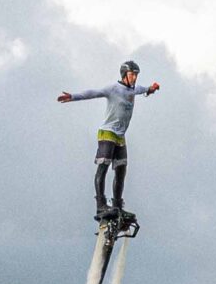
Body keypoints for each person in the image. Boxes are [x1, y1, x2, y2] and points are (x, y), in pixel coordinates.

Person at [57, 60, 162, 220]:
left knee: (121, 171)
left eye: (136, 75)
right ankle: (100, 205)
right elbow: (93, 93)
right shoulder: (114, 88)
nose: (134, 78)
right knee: (103, 167)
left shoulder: (133, 89)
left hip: (120, 136)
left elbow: (144, 89)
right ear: (124, 74)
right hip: (107, 133)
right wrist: (72, 97)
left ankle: (117, 206)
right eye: (132, 74)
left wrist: (151, 89)